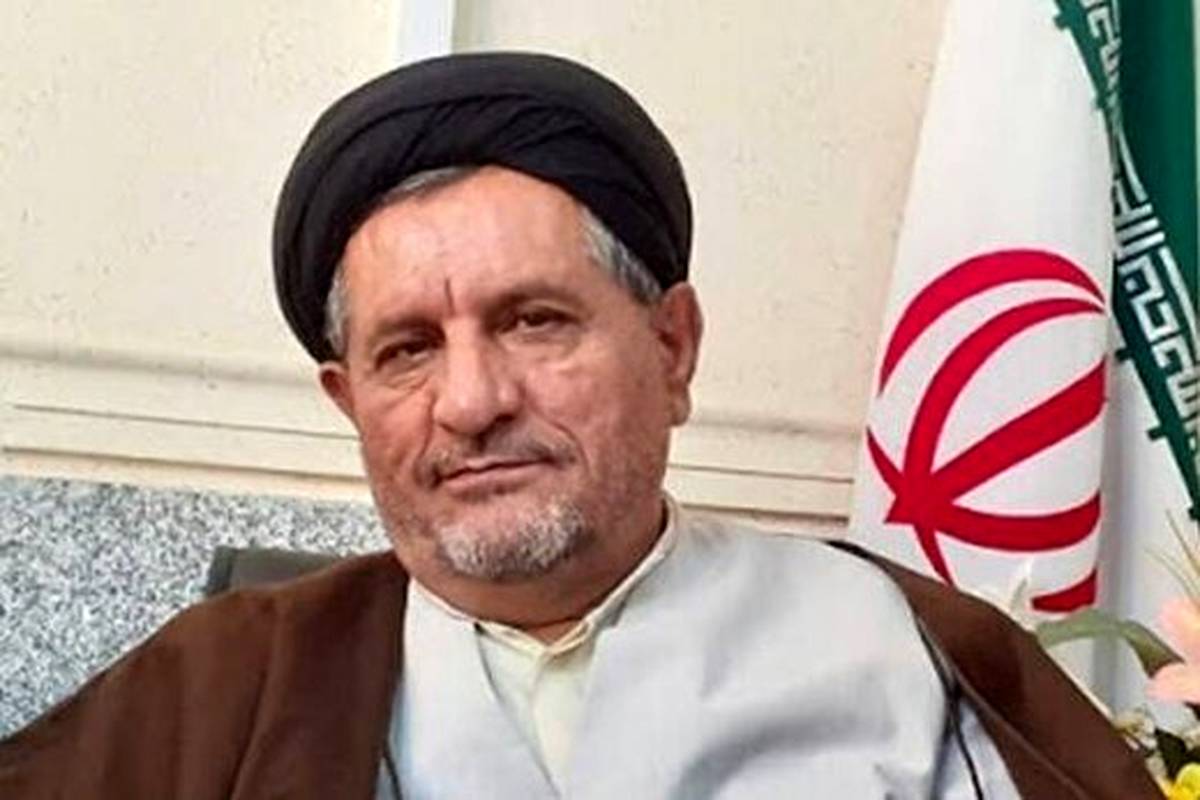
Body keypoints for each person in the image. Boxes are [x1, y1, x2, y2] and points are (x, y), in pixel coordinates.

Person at [0, 52, 1156, 799]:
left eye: (535, 320)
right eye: (407, 349)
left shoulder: (903, 644)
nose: (471, 401)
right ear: (350, 403)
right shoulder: (223, 684)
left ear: (672, 347)